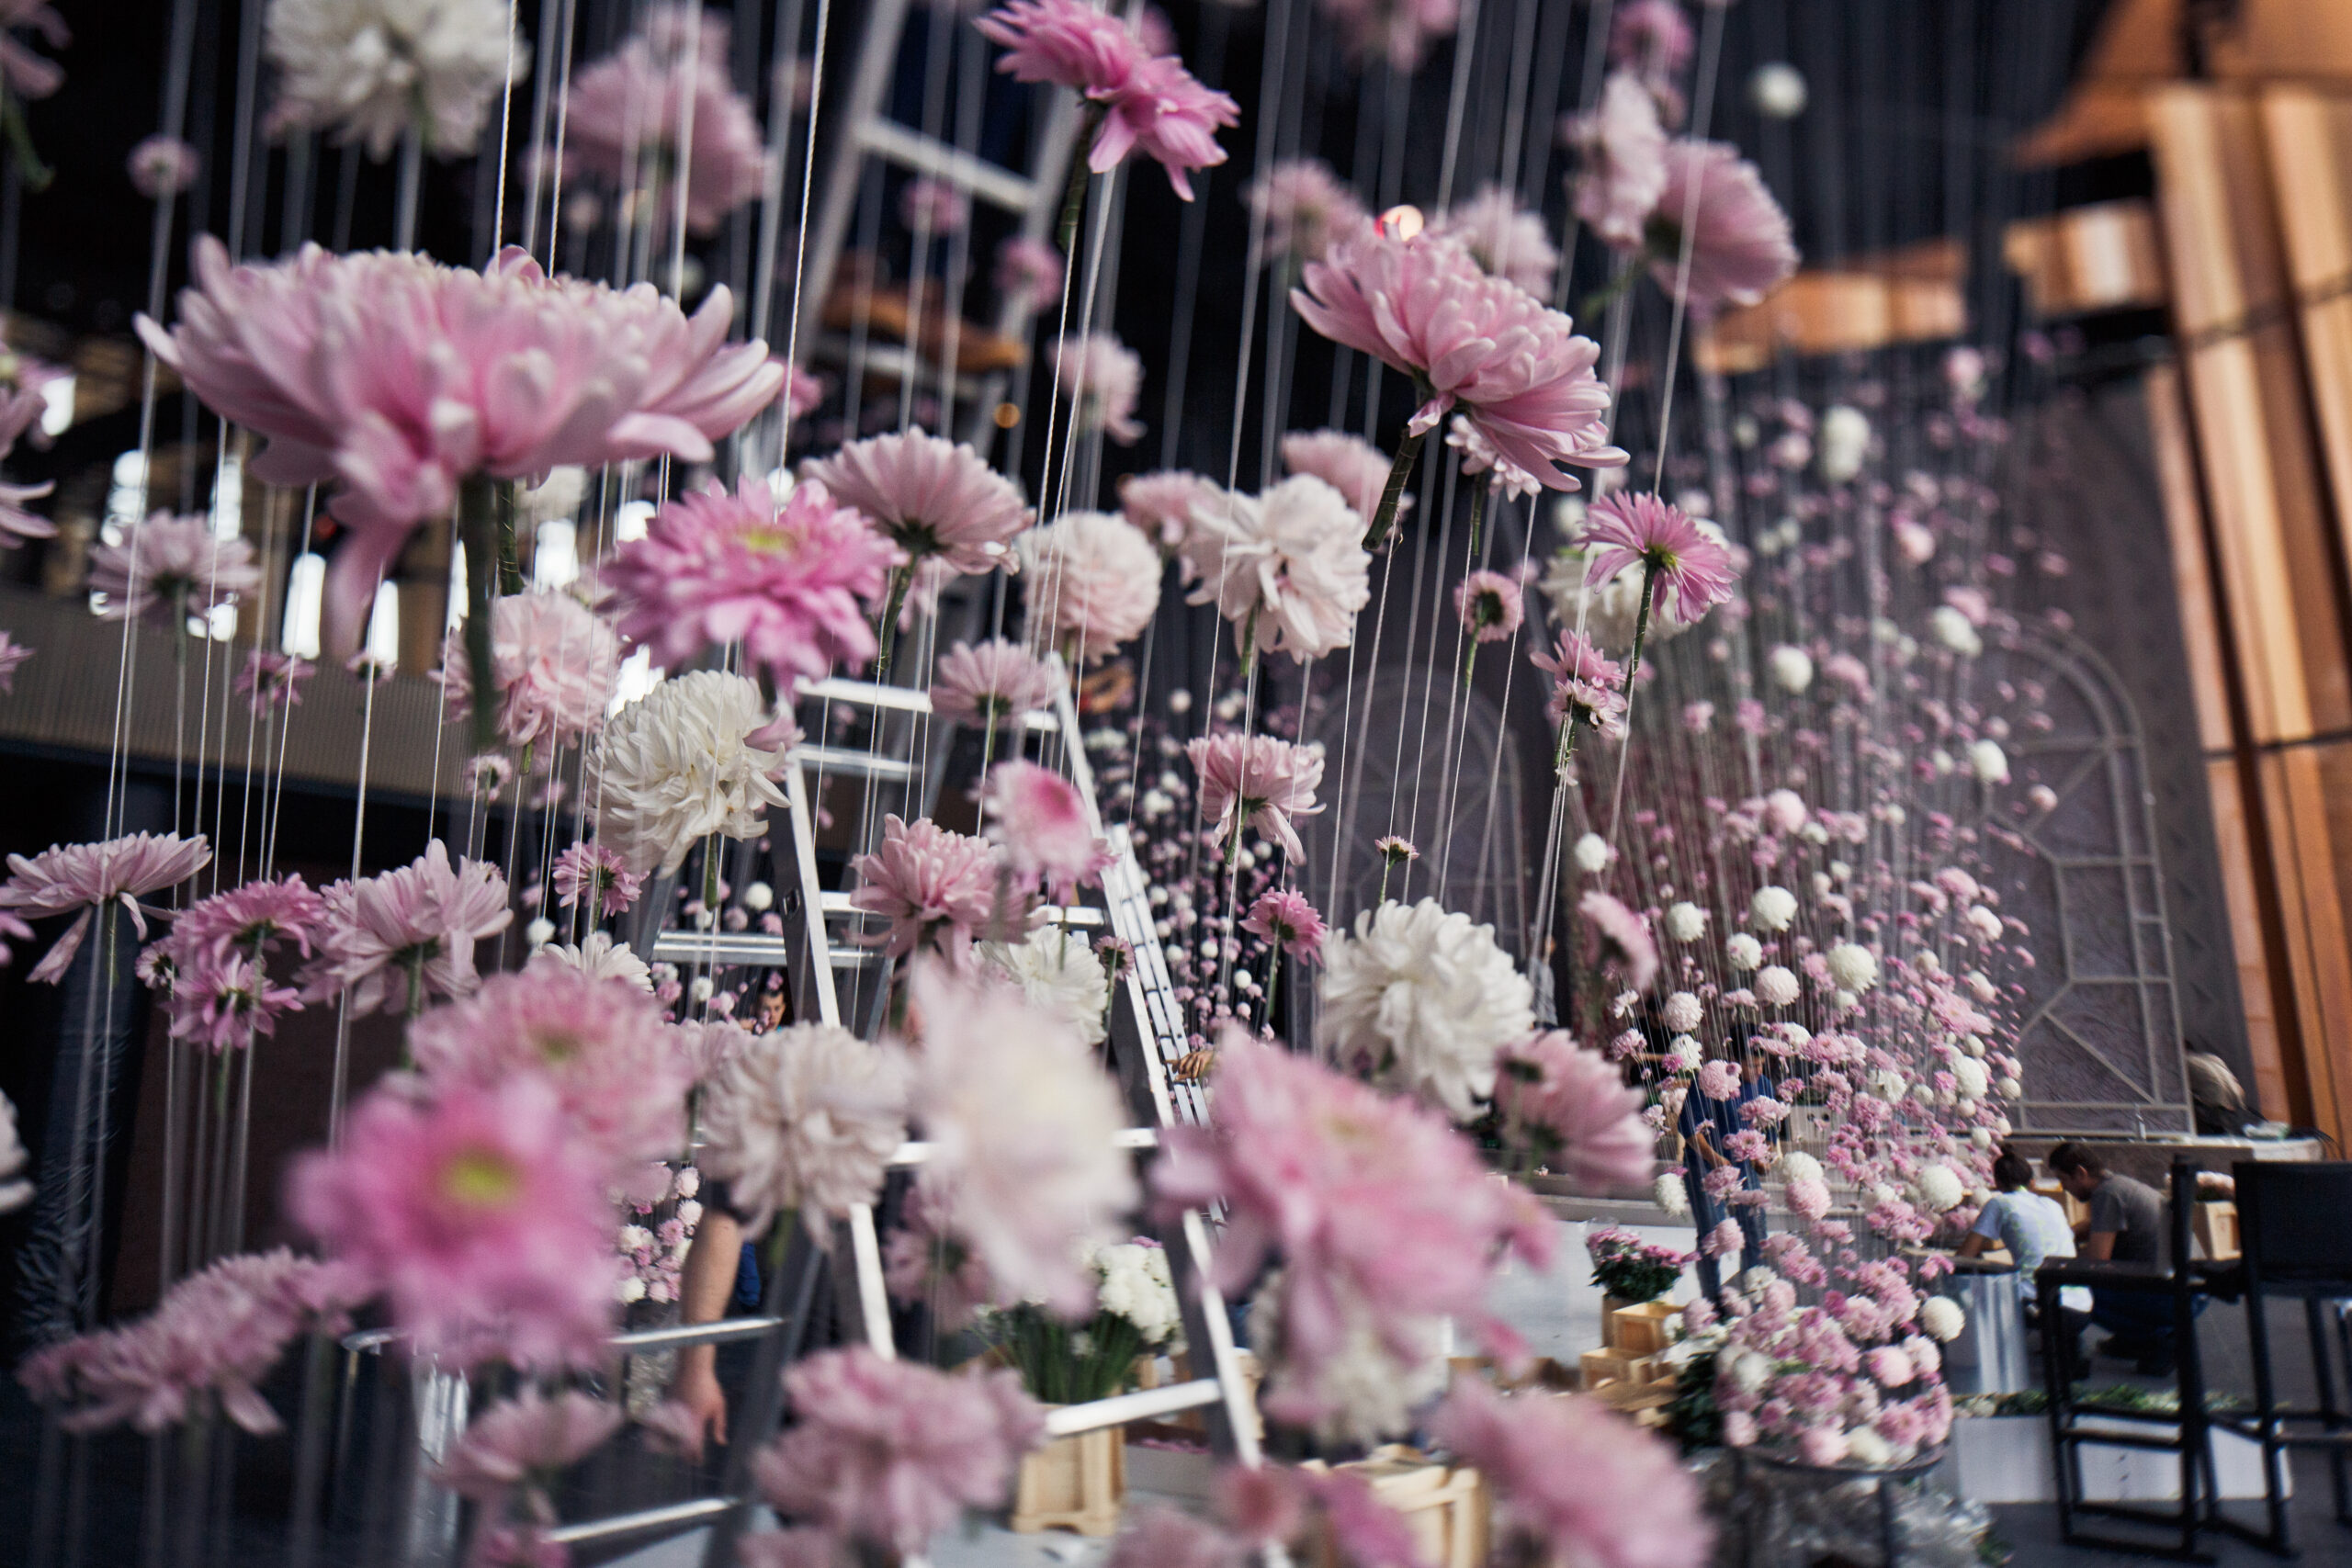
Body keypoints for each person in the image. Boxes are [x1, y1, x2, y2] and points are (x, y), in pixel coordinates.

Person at [2046, 1141, 2182, 1375]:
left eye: (2064, 1180)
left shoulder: (2107, 1195)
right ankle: (2135, 1337)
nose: (2064, 1187)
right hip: (2182, 1284)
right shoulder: (2118, 1184)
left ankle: (2156, 1339)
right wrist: (2069, 1233)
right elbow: (2093, 1226)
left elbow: (2097, 1261)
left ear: (2080, 1173)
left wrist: (2055, 1260)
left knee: (2071, 1289)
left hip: (2166, 1295)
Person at [1678, 1037, 1771, 1302]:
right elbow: (1688, 1129)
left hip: (1742, 1166)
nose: (1758, 1071)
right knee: (1712, 1234)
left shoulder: (1763, 1084)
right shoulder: (1710, 1079)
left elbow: (1768, 1133)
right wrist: (1714, 1158)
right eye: (1751, 1065)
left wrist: (1763, 1158)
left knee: (1756, 1228)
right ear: (1734, 1063)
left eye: (1760, 1064)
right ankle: (1713, 1302)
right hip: (1703, 1165)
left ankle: (1754, 1297)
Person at [1958, 1145, 2088, 1321]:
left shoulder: (1999, 1204)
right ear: (2032, 1181)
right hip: (2081, 1307)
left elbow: (1964, 1257)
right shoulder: (2052, 1205)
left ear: (1997, 1183)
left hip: (2040, 1306)